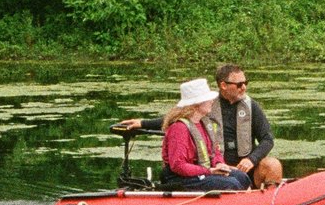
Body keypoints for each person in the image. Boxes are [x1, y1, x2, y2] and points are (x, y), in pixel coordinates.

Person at [121, 64, 285, 189]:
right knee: (234, 182)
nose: (244, 87)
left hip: (233, 165)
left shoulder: (249, 107)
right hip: (205, 169)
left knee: (265, 168)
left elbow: (267, 139)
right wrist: (142, 123)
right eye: (239, 84)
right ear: (223, 85)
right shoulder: (190, 120)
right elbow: (173, 121)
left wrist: (251, 160)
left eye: (246, 83)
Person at [162, 77, 252, 191]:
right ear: (196, 104)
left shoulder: (204, 123)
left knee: (242, 177)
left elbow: (215, 151)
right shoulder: (179, 129)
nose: (212, 101)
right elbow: (178, 165)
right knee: (231, 184)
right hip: (181, 178)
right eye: (207, 99)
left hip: (202, 172)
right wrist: (209, 171)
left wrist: (219, 164)